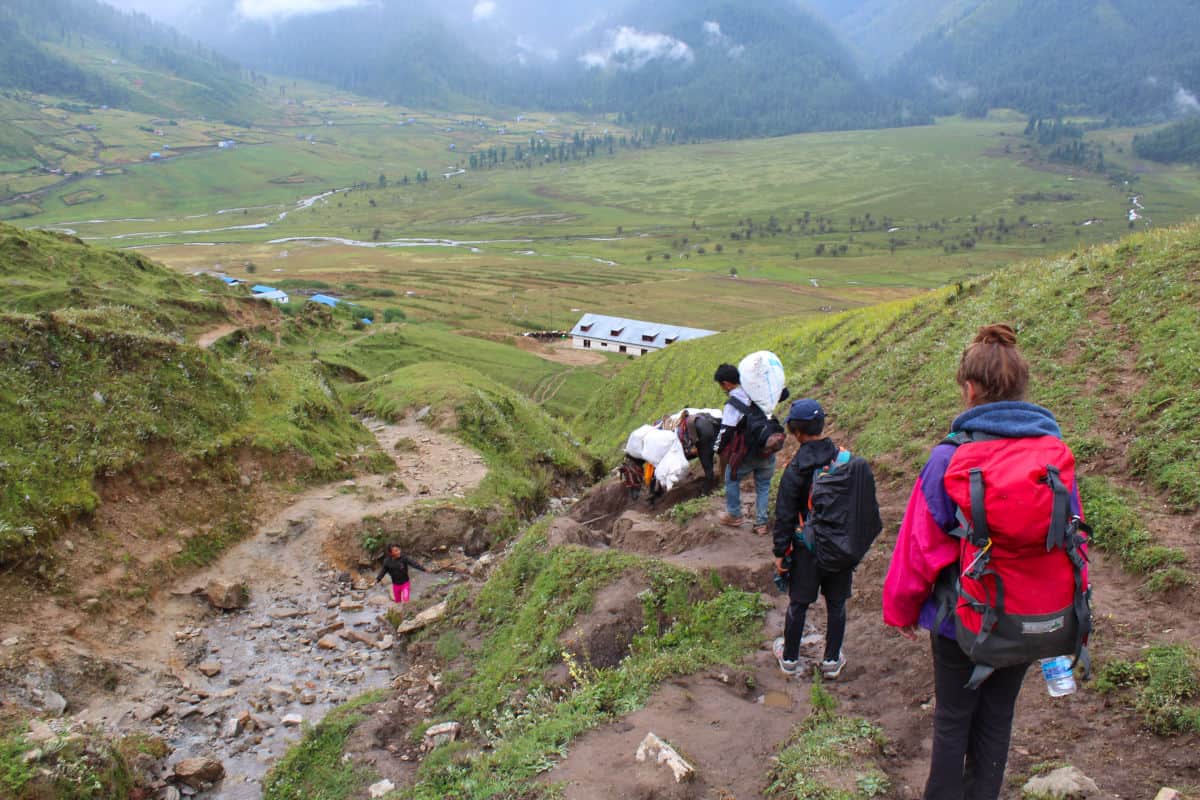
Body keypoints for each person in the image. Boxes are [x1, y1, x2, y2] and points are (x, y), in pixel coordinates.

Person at [882, 324, 1083, 800]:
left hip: (962, 619)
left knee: (954, 718)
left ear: (969, 388)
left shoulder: (950, 457)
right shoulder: (1053, 458)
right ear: (1021, 385)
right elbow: (1074, 542)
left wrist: (901, 609)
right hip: (1031, 618)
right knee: (998, 718)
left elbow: (920, 546)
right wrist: (1075, 614)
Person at [770, 398, 850, 679]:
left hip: (807, 547)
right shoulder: (844, 459)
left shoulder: (795, 468)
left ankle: (790, 657)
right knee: (837, 603)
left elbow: (785, 513)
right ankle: (831, 660)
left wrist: (781, 552)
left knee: (799, 603)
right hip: (840, 547)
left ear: (795, 432)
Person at [712, 363, 776, 535]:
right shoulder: (757, 393)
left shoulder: (732, 404)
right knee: (763, 485)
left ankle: (734, 515)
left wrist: (717, 448)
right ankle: (761, 523)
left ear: (726, 384)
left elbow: (726, 430)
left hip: (746, 452)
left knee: (731, 478)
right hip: (768, 448)